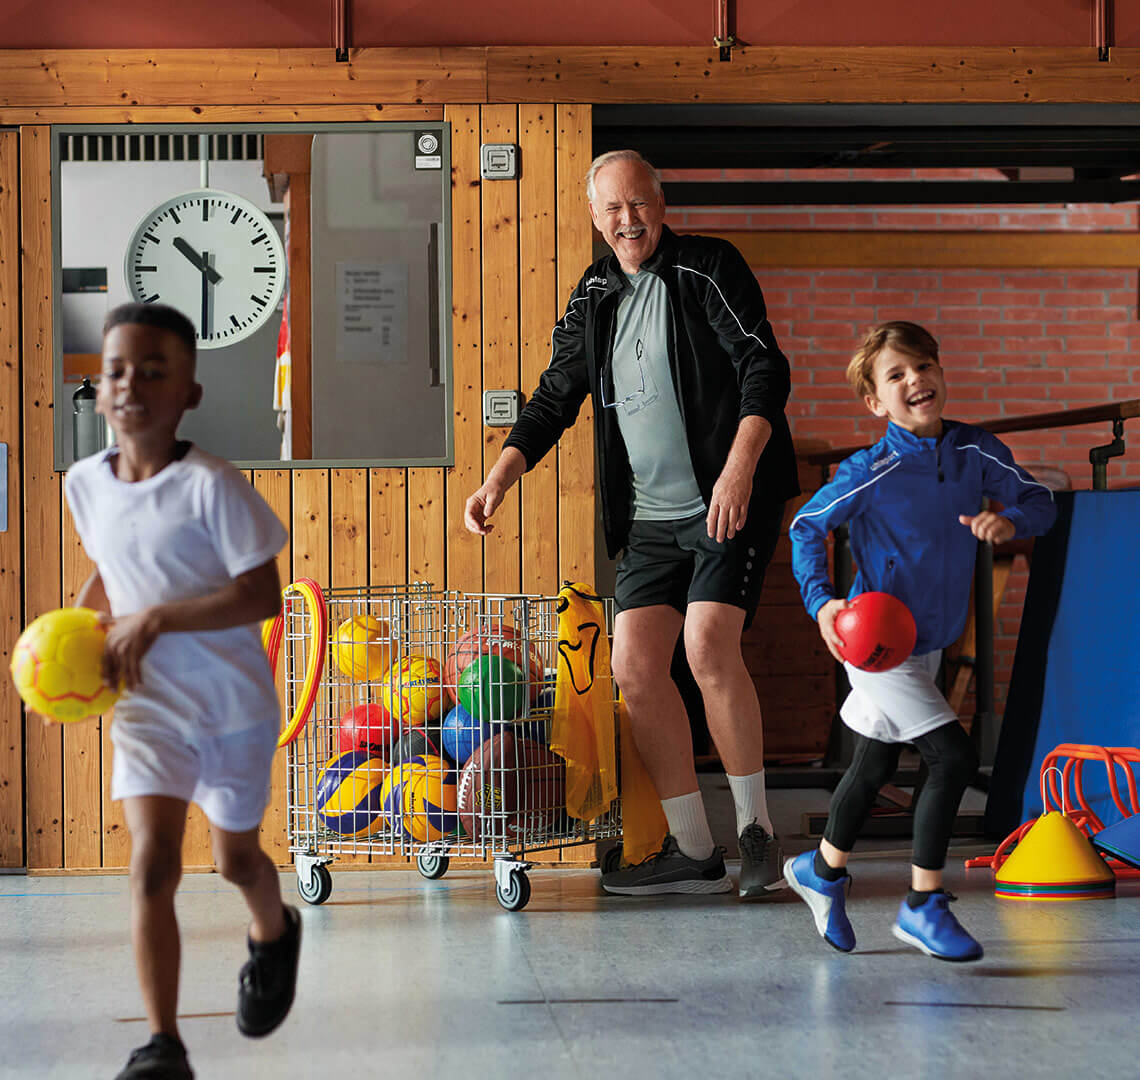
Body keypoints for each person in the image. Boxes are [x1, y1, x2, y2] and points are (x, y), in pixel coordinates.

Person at [465, 150, 799, 898]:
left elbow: (763, 368)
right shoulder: (593, 295)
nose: (628, 220)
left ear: (661, 202)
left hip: (726, 499)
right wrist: (499, 478)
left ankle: (757, 837)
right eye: (613, 209)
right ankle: (692, 848)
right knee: (636, 667)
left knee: (708, 643)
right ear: (596, 217)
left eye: (640, 204)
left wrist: (741, 469)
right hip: (649, 516)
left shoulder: (707, 266)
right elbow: (555, 395)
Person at [65, 303, 300, 1079]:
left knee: (236, 863)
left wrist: (157, 619)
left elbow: (262, 594)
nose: (131, 384)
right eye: (117, 370)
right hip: (147, 707)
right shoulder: (85, 485)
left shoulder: (211, 487)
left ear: (190, 394)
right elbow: (113, 564)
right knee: (152, 865)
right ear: (99, 389)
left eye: (153, 371)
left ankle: (273, 934)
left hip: (232, 707)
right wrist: (84, 630)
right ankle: (162, 1045)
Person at [785, 320, 1057, 961]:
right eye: (897, 375)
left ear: (940, 373)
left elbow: (1041, 502)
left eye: (924, 367)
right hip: (877, 645)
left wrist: (1009, 517)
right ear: (876, 402)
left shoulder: (976, 451)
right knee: (954, 759)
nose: (916, 381)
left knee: (875, 761)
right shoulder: (869, 469)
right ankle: (923, 904)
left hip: (931, 639)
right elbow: (804, 525)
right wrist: (823, 604)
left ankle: (820, 873)